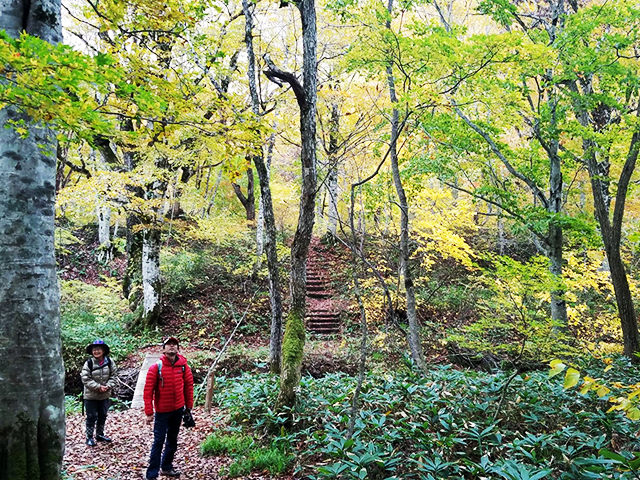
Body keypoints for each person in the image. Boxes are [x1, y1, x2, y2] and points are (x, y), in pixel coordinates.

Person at [143, 336, 194, 479]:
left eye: (174, 344)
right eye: (168, 344)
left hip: (178, 409)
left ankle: (166, 467)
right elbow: (148, 391)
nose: (172, 346)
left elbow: (189, 386)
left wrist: (188, 407)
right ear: (163, 349)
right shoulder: (156, 367)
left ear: (178, 349)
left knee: (172, 439)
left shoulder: (183, 366)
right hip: (161, 412)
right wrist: (149, 412)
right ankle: (151, 474)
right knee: (158, 442)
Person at [81, 339, 117, 447]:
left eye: (98, 349)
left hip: (104, 395)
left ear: (103, 350)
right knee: (91, 417)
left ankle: (100, 434)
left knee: (103, 415)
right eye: (94, 350)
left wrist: (108, 386)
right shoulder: (89, 363)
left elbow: (114, 376)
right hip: (90, 396)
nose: (96, 351)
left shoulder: (110, 362)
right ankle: (89, 437)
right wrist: (98, 387)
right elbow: (85, 378)